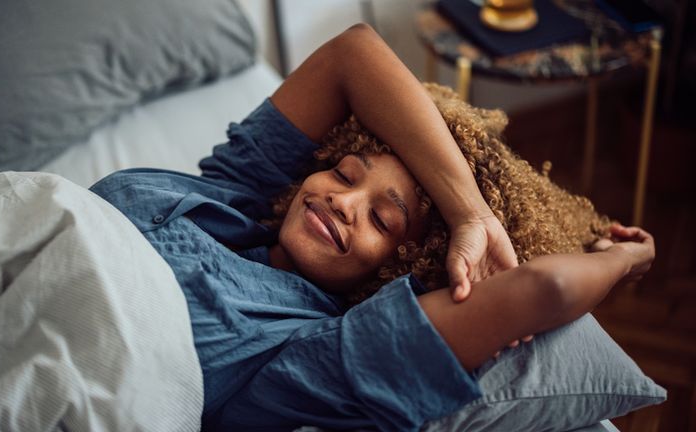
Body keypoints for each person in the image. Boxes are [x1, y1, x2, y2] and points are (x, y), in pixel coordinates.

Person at [90, 24, 655, 431]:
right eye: (342, 172)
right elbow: (353, 53)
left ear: (401, 271)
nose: (342, 201)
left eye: (383, 220)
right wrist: (469, 210)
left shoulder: (303, 354)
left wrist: (623, 259)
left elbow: (545, 290)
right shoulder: (235, 193)